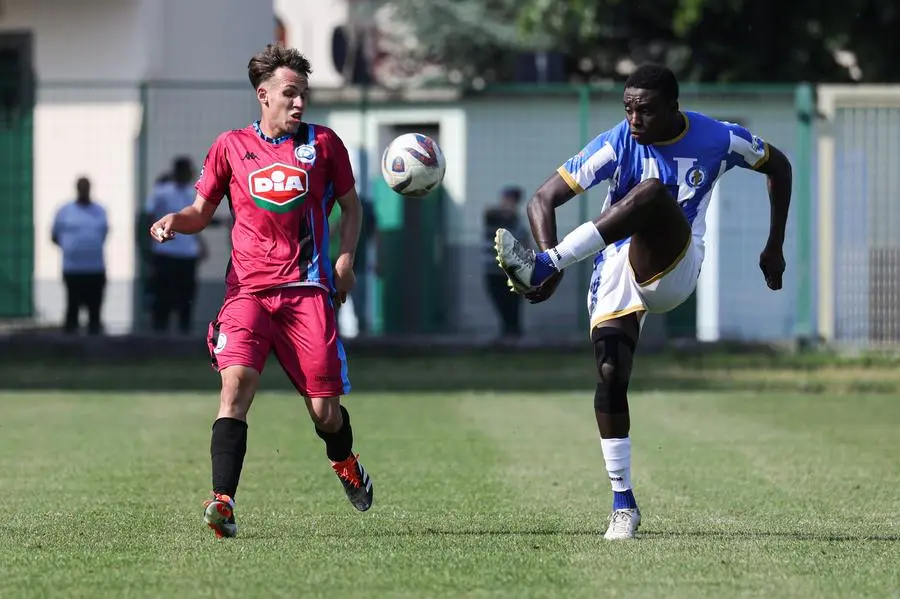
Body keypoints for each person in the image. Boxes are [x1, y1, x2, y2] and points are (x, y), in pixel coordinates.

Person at [494, 64, 792, 540]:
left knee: (651, 193)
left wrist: (774, 244)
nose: (634, 119)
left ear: (674, 108)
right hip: (614, 266)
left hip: (676, 262)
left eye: (646, 110)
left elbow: (779, 165)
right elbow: (542, 199)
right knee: (611, 375)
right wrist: (547, 257)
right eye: (628, 108)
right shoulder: (617, 140)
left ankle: (547, 265)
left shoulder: (719, 137)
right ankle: (623, 504)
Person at [149, 44, 373, 539]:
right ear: (263, 95)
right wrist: (174, 223)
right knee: (235, 388)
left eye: (303, 95)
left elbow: (352, 209)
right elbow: (201, 212)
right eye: (290, 94)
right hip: (247, 293)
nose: (298, 104)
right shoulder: (230, 146)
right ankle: (222, 502)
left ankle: (347, 464)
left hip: (307, 292)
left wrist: (345, 260)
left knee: (325, 412)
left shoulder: (325, 145)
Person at [144, 157, 207, 335]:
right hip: (165, 252)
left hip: (187, 254)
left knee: (186, 296)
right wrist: (151, 241)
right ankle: (159, 332)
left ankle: (184, 332)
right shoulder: (162, 192)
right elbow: (149, 217)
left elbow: (195, 220)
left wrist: (200, 243)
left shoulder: (192, 193)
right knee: (163, 294)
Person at [51, 176, 109, 335]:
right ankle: (70, 346)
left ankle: (95, 344)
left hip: (95, 267)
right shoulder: (64, 211)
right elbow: (54, 236)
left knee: (94, 309)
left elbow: (104, 233)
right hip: (73, 268)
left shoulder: (99, 211)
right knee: (72, 306)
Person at [483, 186, 527, 339]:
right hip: (493, 271)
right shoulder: (493, 217)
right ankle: (507, 333)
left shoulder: (518, 223)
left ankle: (513, 335)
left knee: (513, 307)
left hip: (513, 274)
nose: (509, 204)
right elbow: (489, 212)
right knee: (499, 301)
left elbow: (525, 246)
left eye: (512, 201)